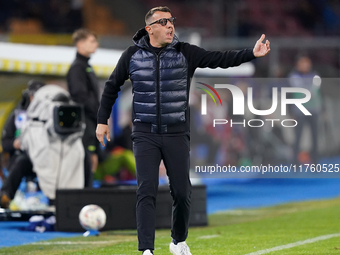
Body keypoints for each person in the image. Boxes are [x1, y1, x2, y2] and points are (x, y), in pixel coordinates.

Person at [96, 6, 270, 255]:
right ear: (149, 29)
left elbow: (219, 60)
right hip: (145, 133)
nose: (170, 26)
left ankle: (178, 242)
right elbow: (111, 86)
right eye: (164, 22)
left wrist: (250, 54)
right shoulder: (131, 55)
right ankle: (146, 249)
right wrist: (102, 120)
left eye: (172, 21)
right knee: (146, 190)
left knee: (181, 191)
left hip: (176, 132)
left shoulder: (185, 52)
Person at [0, 80, 45, 208]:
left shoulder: (51, 115)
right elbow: (5, 142)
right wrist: (16, 144)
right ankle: (5, 197)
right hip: (24, 158)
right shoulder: (18, 116)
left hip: (46, 157)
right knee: (21, 161)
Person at [66, 28, 101, 187]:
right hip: (84, 121)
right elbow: (80, 96)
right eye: (92, 41)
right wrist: (97, 112)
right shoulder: (77, 68)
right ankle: (84, 201)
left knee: (91, 162)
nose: (96, 44)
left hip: (91, 121)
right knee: (87, 162)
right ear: (80, 44)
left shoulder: (87, 66)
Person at [288, 55, 322, 164]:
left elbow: (315, 92)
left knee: (315, 137)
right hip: (299, 111)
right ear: (298, 65)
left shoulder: (315, 76)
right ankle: (295, 163)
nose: (305, 65)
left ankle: (315, 162)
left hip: (314, 110)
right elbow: (299, 92)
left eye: (307, 63)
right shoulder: (293, 76)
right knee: (297, 137)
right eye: (302, 63)